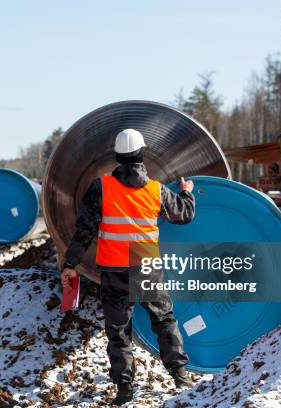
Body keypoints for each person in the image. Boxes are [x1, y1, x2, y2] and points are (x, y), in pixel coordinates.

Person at [60, 128, 196, 406]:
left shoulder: (101, 187)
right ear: (142, 154)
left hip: (115, 270)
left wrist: (71, 264)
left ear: (118, 157)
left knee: (119, 330)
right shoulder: (157, 190)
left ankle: (125, 390)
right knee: (164, 321)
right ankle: (180, 377)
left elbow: (84, 229)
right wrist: (187, 193)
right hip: (147, 268)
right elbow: (184, 215)